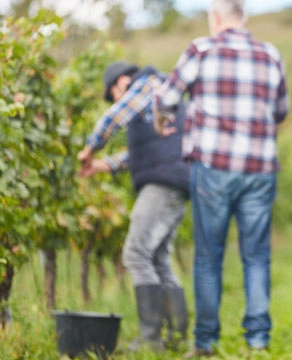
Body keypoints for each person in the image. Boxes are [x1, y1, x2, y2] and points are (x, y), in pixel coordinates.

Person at [153, 0, 289, 355]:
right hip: (259, 169)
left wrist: (162, 118)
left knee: (209, 257)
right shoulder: (270, 54)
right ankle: (258, 340)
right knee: (257, 255)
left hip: (213, 166)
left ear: (216, 18)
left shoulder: (202, 49)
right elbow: (279, 111)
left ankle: (206, 341)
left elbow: (167, 97)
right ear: (242, 17)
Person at [77, 61, 190, 351]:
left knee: (136, 253)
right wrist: (102, 166)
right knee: (158, 259)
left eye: (114, 93)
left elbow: (114, 117)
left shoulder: (149, 84)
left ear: (122, 81)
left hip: (162, 184)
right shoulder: (161, 95)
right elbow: (141, 153)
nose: (116, 99)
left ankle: (151, 340)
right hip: (176, 181)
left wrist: (90, 149)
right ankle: (175, 339)